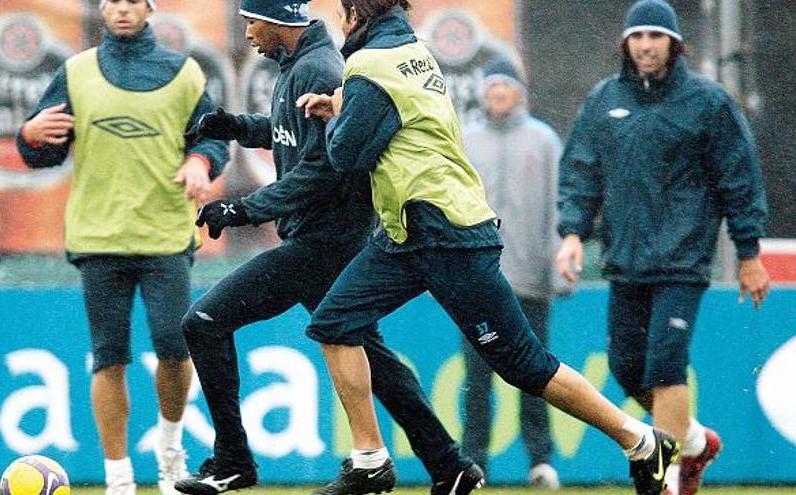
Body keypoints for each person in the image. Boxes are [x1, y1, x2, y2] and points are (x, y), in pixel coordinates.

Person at [297, 2, 679, 495]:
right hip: (411, 231)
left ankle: (642, 440)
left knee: (524, 364)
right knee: (333, 322)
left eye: (342, 9)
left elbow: (347, 154)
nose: (339, 19)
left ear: (356, 12)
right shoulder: (414, 51)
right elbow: (395, 119)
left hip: (444, 233)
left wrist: (339, 117)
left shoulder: (367, 64)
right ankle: (370, 461)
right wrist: (349, 111)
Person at [173, 1, 482, 494]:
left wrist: (242, 210)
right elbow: (290, 138)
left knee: (204, 323)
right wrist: (232, 125)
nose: (248, 32)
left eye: (251, 21)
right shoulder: (303, 64)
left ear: (276, 21)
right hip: (328, 242)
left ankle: (232, 460)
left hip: (321, 246)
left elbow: (321, 170)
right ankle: (450, 464)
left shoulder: (318, 67)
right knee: (374, 360)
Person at [554, 1, 770, 495]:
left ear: (674, 43)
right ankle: (693, 442)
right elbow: (581, 173)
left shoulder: (709, 103)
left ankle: (669, 479)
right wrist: (572, 234)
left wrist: (750, 253)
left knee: (667, 362)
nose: (646, 45)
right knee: (627, 369)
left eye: (655, 36)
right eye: (637, 36)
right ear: (625, 43)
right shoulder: (603, 100)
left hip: (683, 259)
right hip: (625, 260)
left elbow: (740, 179)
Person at [16, 1, 230, 494]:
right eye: (113, 0)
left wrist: (200, 160)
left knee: (175, 351)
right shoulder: (77, 71)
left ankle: (171, 453)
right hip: (98, 236)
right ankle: (118, 479)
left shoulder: (183, 73)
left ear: (150, 7)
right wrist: (28, 134)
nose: (122, 8)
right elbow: (42, 149)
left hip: (164, 236)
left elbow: (217, 140)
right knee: (108, 358)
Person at [460, 56, 566, 490]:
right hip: (477, 284)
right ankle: (473, 462)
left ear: (519, 91)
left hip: (530, 282)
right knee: (477, 381)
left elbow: (559, 209)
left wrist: (557, 267)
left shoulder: (543, 141)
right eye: (492, 85)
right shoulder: (466, 140)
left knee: (535, 376)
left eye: (505, 85)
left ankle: (540, 462)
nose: (498, 92)